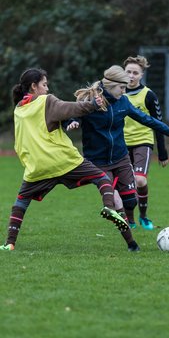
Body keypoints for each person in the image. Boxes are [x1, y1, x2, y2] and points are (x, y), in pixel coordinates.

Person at [0, 68, 129, 252]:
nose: (47, 88)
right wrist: (92, 104)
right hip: (64, 160)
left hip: (37, 167)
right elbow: (70, 108)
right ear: (34, 86)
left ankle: (9, 243)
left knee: (21, 202)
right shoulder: (47, 101)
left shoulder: (19, 109)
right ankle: (109, 208)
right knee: (102, 178)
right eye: (44, 84)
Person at [64, 65, 169, 249]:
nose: (124, 91)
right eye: (121, 88)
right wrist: (74, 122)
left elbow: (144, 118)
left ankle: (126, 216)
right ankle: (132, 243)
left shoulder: (123, 102)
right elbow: (72, 114)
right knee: (116, 202)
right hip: (98, 162)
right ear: (110, 85)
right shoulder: (91, 100)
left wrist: (167, 130)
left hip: (121, 158)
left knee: (130, 201)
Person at [123, 55, 169, 230]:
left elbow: (158, 123)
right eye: (128, 72)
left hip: (143, 141)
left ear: (141, 75)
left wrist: (162, 152)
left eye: (135, 72)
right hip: (122, 144)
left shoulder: (148, 95)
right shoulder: (117, 94)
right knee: (127, 185)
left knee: (140, 181)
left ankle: (143, 216)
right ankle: (130, 220)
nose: (131, 76)